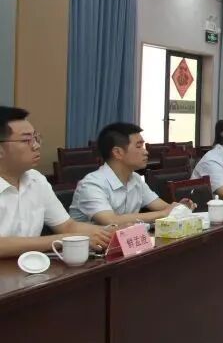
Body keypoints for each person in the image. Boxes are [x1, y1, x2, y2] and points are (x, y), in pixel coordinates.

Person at [0, 106, 114, 257]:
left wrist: (110, 232)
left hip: (31, 266)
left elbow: (67, 226)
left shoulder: (36, 180)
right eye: (26, 140)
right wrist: (63, 239)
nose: (36, 146)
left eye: (36, 138)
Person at [69, 122, 194, 225]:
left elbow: (163, 207)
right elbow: (111, 221)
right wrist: (164, 213)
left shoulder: (135, 179)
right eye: (139, 147)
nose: (146, 152)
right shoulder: (91, 185)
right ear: (118, 153)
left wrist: (180, 208)